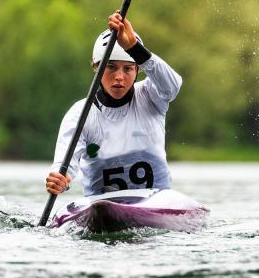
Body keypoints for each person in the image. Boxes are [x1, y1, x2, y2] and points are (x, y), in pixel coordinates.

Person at [45, 11, 182, 196]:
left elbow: (173, 85)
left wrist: (134, 47)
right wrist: (59, 180)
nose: (119, 77)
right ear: (96, 67)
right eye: (110, 67)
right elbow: (64, 166)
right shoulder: (80, 114)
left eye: (127, 69)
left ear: (137, 70)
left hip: (156, 202)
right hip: (102, 209)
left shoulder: (151, 96)